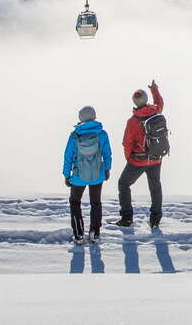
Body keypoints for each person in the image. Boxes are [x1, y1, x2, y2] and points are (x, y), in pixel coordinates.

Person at [114, 81, 166, 228]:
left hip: (138, 161)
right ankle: (155, 219)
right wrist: (154, 90)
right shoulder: (156, 111)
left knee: (123, 184)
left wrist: (129, 159)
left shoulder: (133, 121)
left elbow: (127, 143)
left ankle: (127, 218)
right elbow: (160, 102)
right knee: (155, 186)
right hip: (156, 158)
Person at [63, 106, 112, 245]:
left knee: (75, 202)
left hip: (78, 176)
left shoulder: (75, 135)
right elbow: (107, 154)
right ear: (94, 116)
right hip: (97, 174)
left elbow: (68, 156)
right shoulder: (101, 133)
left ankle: (78, 235)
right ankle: (94, 233)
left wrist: (67, 175)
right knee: (96, 203)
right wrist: (107, 170)